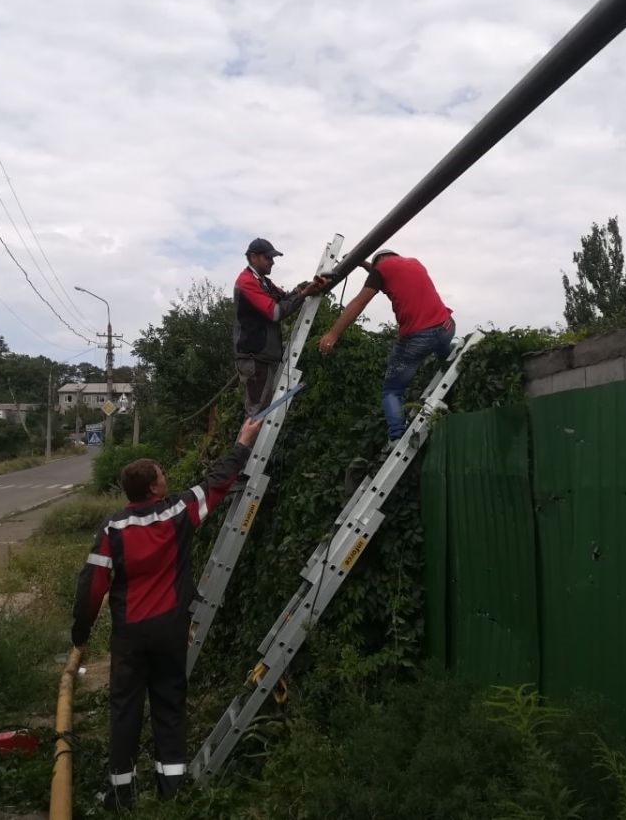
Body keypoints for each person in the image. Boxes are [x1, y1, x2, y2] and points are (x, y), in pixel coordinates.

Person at [70, 417, 263, 810]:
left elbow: (92, 585)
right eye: (162, 474)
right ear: (154, 486)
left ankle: (122, 794)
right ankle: (171, 790)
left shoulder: (113, 529)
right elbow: (218, 482)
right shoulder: (177, 512)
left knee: (124, 708)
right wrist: (243, 442)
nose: (166, 478)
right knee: (170, 703)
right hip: (170, 629)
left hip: (129, 635)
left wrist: (81, 631)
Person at [318, 250, 455, 442]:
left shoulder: (381, 270)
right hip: (446, 327)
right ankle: (449, 373)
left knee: (392, 391)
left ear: (378, 263)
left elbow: (359, 302)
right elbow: (382, 276)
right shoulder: (414, 263)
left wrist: (332, 333)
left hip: (418, 340)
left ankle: (396, 437)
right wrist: (363, 263)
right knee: (446, 360)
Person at [233, 237, 317, 417]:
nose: (272, 262)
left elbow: (284, 297)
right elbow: (275, 313)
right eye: (268, 258)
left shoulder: (264, 282)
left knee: (261, 412)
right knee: (257, 414)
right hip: (254, 358)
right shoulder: (247, 282)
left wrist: (301, 288)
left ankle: (248, 445)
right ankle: (245, 446)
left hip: (262, 357)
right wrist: (303, 295)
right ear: (253, 257)